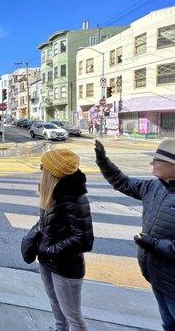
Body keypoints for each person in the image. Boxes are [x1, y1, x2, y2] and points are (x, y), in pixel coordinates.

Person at [95, 139, 175, 330]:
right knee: (168, 325)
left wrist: (154, 244)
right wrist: (103, 161)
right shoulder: (154, 187)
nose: (152, 163)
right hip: (157, 278)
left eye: (157, 160)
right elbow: (122, 182)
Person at [37, 149, 94, 331]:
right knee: (55, 303)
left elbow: (84, 240)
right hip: (47, 261)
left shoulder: (74, 198)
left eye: (42, 167)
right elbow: (46, 223)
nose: (40, 170)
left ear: (52, 173)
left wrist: (49, 250)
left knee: (73, 316)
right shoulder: (51, 194)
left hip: (65, 267)